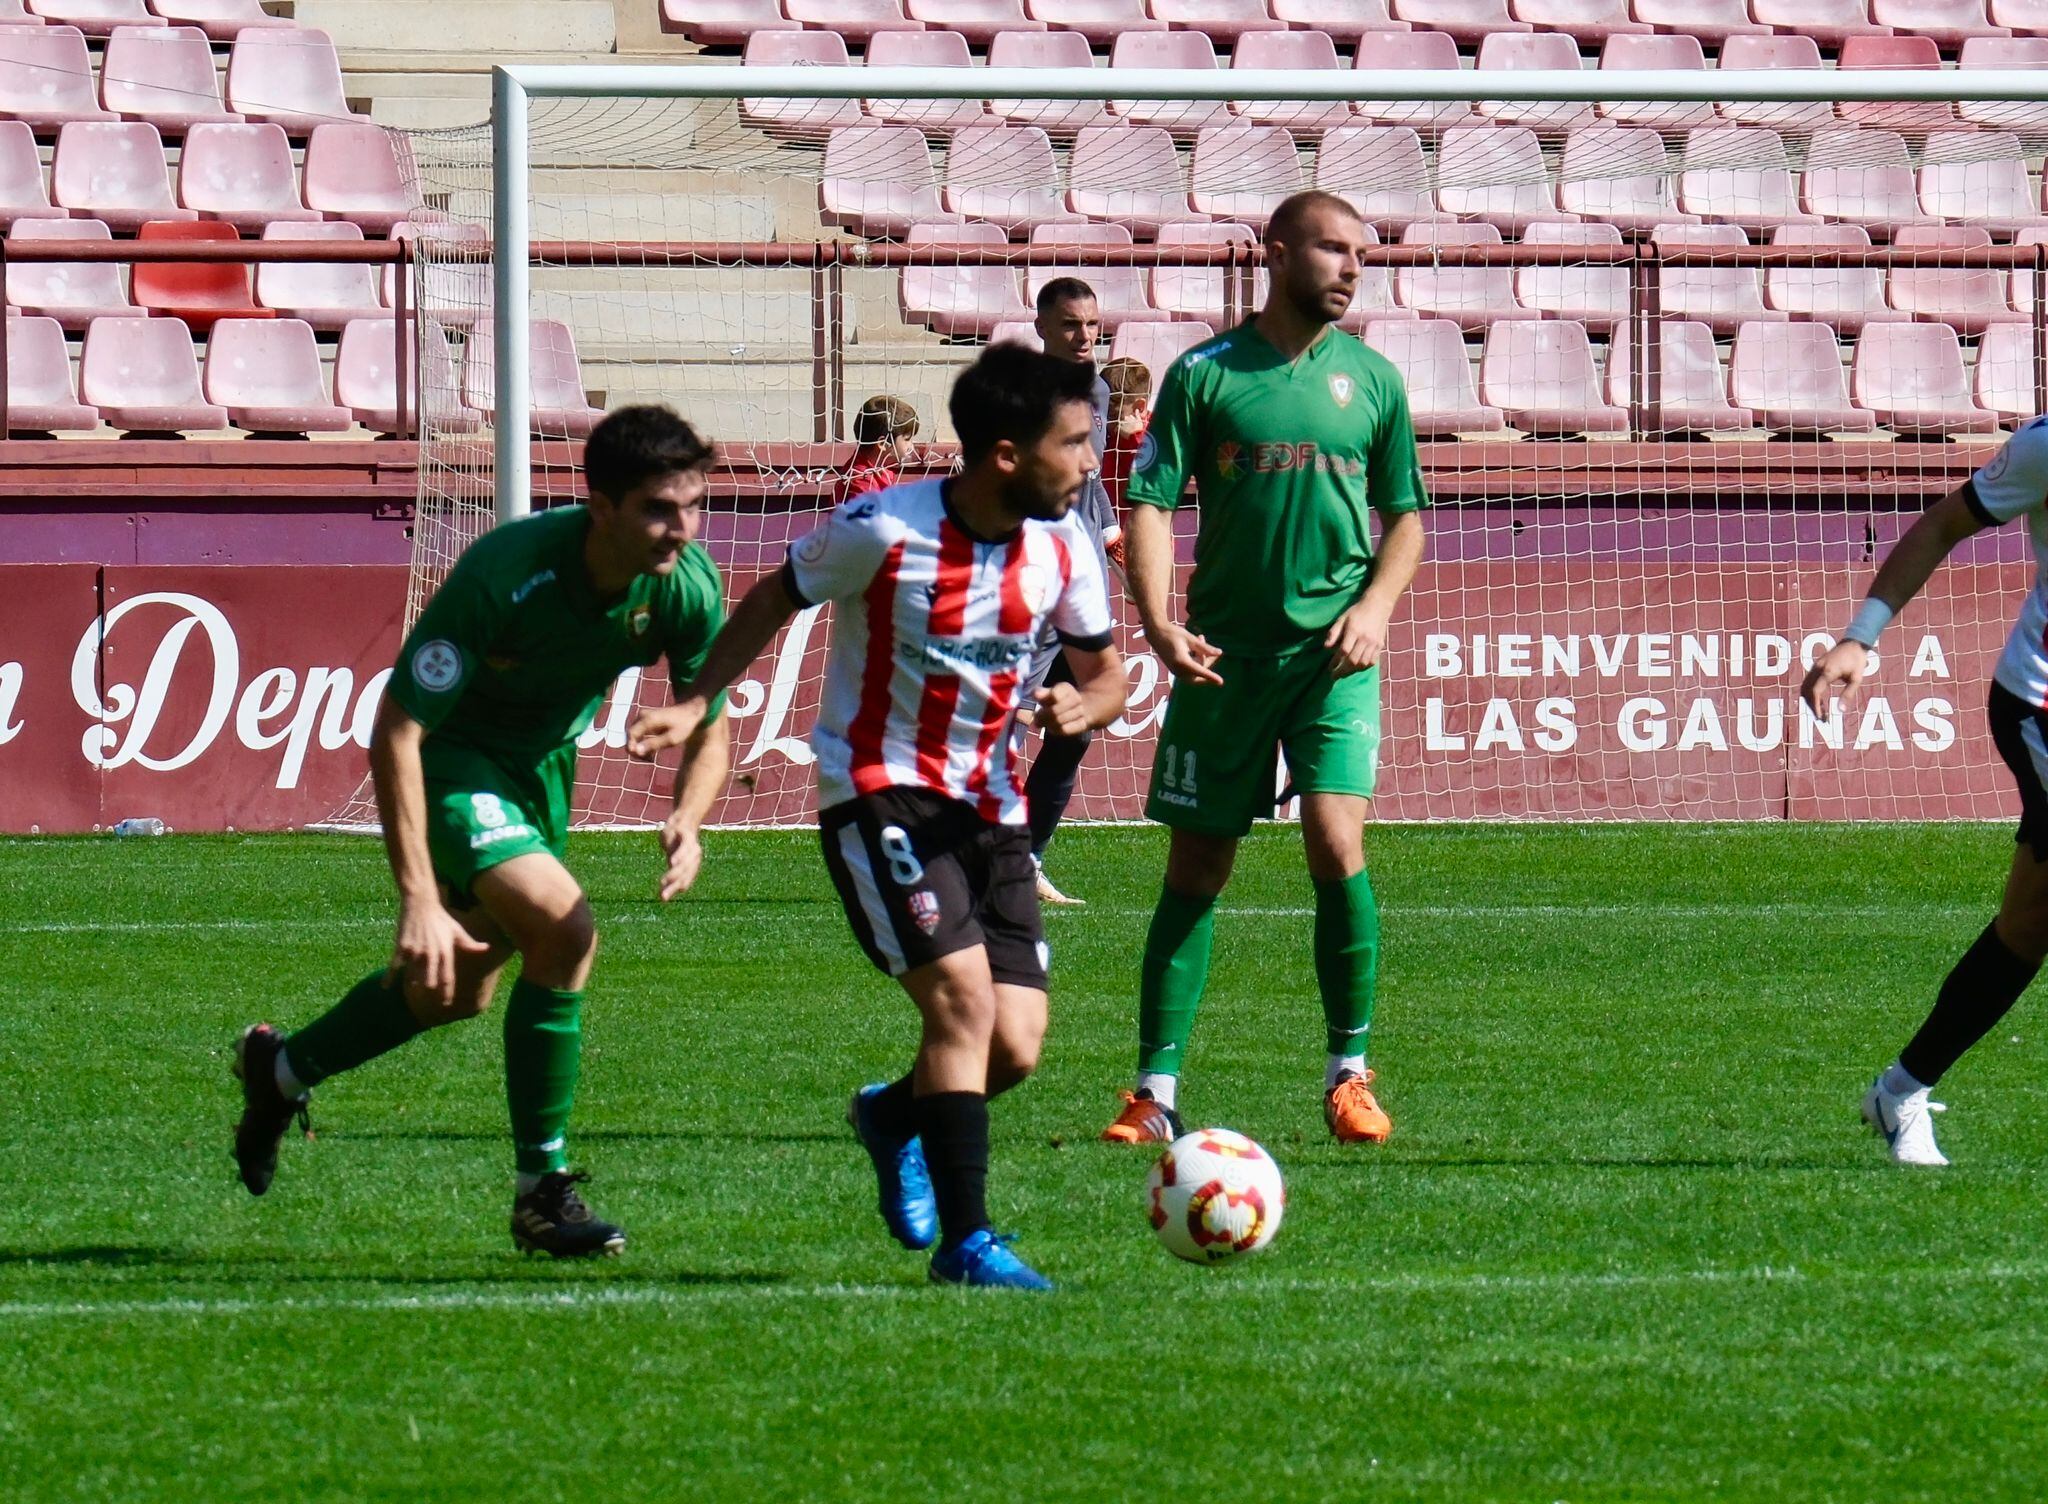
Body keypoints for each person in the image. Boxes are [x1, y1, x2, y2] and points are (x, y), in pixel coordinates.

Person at [628, 344, 1125, 1289]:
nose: (1090, 460)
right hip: (877, 788)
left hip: (992, 807)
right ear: (1008, 454)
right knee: (962, 1005)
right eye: (1074, 442)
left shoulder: (1062, 546)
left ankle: (892, 1115)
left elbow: (1102, 678)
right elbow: (777, 594)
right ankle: (969, 1243)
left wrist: (1084, 708)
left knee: (1011, 1049)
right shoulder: (882, 527)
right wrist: (698, 701)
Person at [229, 405, 732, 1257]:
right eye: (657, 508)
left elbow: (710, 719)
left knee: (452, 992)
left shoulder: (684, 584)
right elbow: (397, 728)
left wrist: (687, 816)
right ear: (599, 506)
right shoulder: (509, 571)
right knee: (567, 927)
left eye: (691, 505)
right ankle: (542, 1192)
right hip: (453, 761)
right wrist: (416, 897)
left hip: (540, 777)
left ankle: (278, 1072)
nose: (679, 527)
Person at [1099, 190, 1429, 1148]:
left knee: (1336, 842)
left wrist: (1374, 608)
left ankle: (1350, 1074)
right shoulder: (1204, 374)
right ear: (1277, 254)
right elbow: (1150, 501)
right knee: (1198, 865)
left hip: (1333, 656)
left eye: (1360, 253)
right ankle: (1154, 1092)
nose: (1352, 267)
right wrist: (1157, 621)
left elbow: (1406, 516)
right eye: (1332, 249)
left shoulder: (1373, 380)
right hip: (1222, 658)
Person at [1805, 415, 2048, 1167]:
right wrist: (1860, 636)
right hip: (2040, 704)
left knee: (2026, 927)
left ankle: (1901, 1090)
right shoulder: (2045, 447)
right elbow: (1943, 525)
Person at [1019, 277, 1124, 906]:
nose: (1084, 336)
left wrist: (1110, 539)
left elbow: (1086, 482)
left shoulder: (1100, 389)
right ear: (1041, 328)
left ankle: (1024, 858)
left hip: (1080, 577)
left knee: (1077, 726)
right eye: (1070, 325)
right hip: (1030, 575)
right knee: (998, 714)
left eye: (1091, 324)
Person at [837, 395, 920, 503]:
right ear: (883, 443)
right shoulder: (862, 486)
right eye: (907, 439)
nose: (911, 445)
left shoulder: (878, 468)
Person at [1099, 356, 1153, 522]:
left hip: (1137, 531)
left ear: (1139, 407)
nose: (1105, 420)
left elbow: (1146, 480)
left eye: (1112, 414)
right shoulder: (1105, 431)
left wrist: (1133, 438)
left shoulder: (1152, 436)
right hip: (1106, 525)